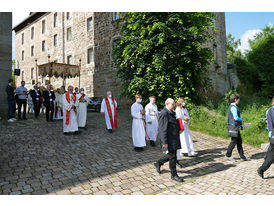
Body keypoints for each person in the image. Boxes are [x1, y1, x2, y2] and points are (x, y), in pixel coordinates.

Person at [154, 98, 184, 182]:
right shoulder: (164, 113)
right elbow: (162, 129)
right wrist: (165, 142)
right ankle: (174, 175)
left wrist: (179, 128)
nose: (174, 106)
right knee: (173, 157)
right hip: (169, 139)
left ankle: (158, 163)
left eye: (174, 104)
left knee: (172, 155)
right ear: (167, 104)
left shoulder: (171, 112)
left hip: (174, 137)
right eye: (172, 104)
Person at [225, 93, 250, 162]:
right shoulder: (233, 107)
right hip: (234, 127)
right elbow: (236, 118)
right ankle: (228, 155)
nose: (239, 101)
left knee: (239, 142)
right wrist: (241, 119)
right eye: (238, 100)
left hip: (234, 127)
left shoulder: (232, 106)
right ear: (235, 100)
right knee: (234, 142)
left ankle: (242, 156)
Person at [257, 97, 274, 179]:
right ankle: (261, 169)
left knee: (271, 153)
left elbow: (268, 126)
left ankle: (262, 168)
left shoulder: (269, 110)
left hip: (271, 135)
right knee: (271, 155)